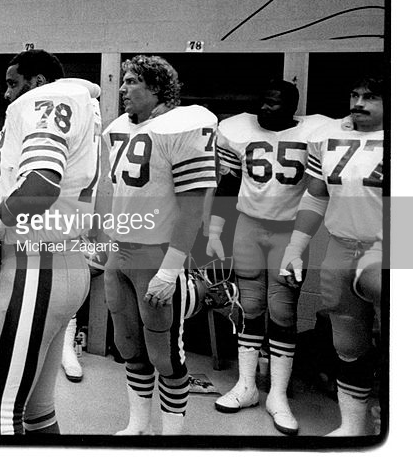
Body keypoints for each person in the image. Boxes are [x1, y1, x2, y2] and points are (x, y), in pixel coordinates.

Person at [0, 49, 101, 434]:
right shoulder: (84, 107)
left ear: (39, 83)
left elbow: (40, 186)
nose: (8, 94)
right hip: (66, 262)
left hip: (36, 269)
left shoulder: (46, 101)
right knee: (36, 411)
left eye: (14, 83)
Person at [103, 55, 217, 435]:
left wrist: (170, 268)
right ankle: (137, 425)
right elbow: (114, 190)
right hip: (121, 251)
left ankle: (172, 436)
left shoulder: (183, 127)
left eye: (132, 81)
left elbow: (193, 208)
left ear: (156, 88)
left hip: (158, 254)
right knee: (129, 348)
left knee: (165, 356)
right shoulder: (120, 127)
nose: (122, 89)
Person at [207, 80, 330, 435]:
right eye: (262, 100)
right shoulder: (236, 132)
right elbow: (228, 185)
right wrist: (215, 232)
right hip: (248, 224)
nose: (266, 108)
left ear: (292, 108)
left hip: (289, 230)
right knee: (249, 304)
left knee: (283, 307)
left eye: (275, 103)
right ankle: (246, 385)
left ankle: (278, 394)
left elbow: (321, 187)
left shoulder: (316, 131)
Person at [280, 77, 385, 436]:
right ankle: (352, 427)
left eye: (371, 96)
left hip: (395, 242)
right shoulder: (326, 136)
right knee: (347, 342)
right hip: (340, 242)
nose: (360, 102)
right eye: (355, 94)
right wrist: (295, 246)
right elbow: (315, 196)